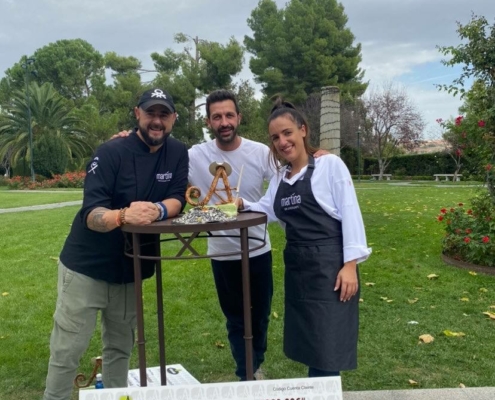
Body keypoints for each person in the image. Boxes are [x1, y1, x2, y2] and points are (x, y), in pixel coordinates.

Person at [43, 87, 189, 400]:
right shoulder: (110, 152)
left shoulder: (177, 152)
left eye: (164, 114)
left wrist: (158, 210)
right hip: (87, 267)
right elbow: (91, 213)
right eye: (151, 113)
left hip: (131, 268)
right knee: (68, 350)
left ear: (174, 118)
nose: (157, 121)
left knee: (120, 349)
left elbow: (178, 196)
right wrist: (123, 216)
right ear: (138, 113)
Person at [237, 98, 371, 378]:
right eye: (275, 137)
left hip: (330, 269)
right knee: (313, 343)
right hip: (298, 270)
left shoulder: (330, 166)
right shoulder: (280, 178)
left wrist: (350, 265)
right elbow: (266, 208)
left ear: (303, 130)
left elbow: (350, 212)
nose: (282, 142)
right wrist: (242, 205)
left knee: (327, 346)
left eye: (287, 133)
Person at [188, 89, 275, 381]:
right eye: (217, 117)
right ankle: (247, 373)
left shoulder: (260, 151)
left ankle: (255, 362)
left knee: (260, 316)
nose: (224, 122)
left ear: (238, 117)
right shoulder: (195, 155)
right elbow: (159, 159)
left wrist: (315, 151)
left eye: (228, 115)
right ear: (208, 121)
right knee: (236, 317)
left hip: (258, 249)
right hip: (222, 253)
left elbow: (283, 180)